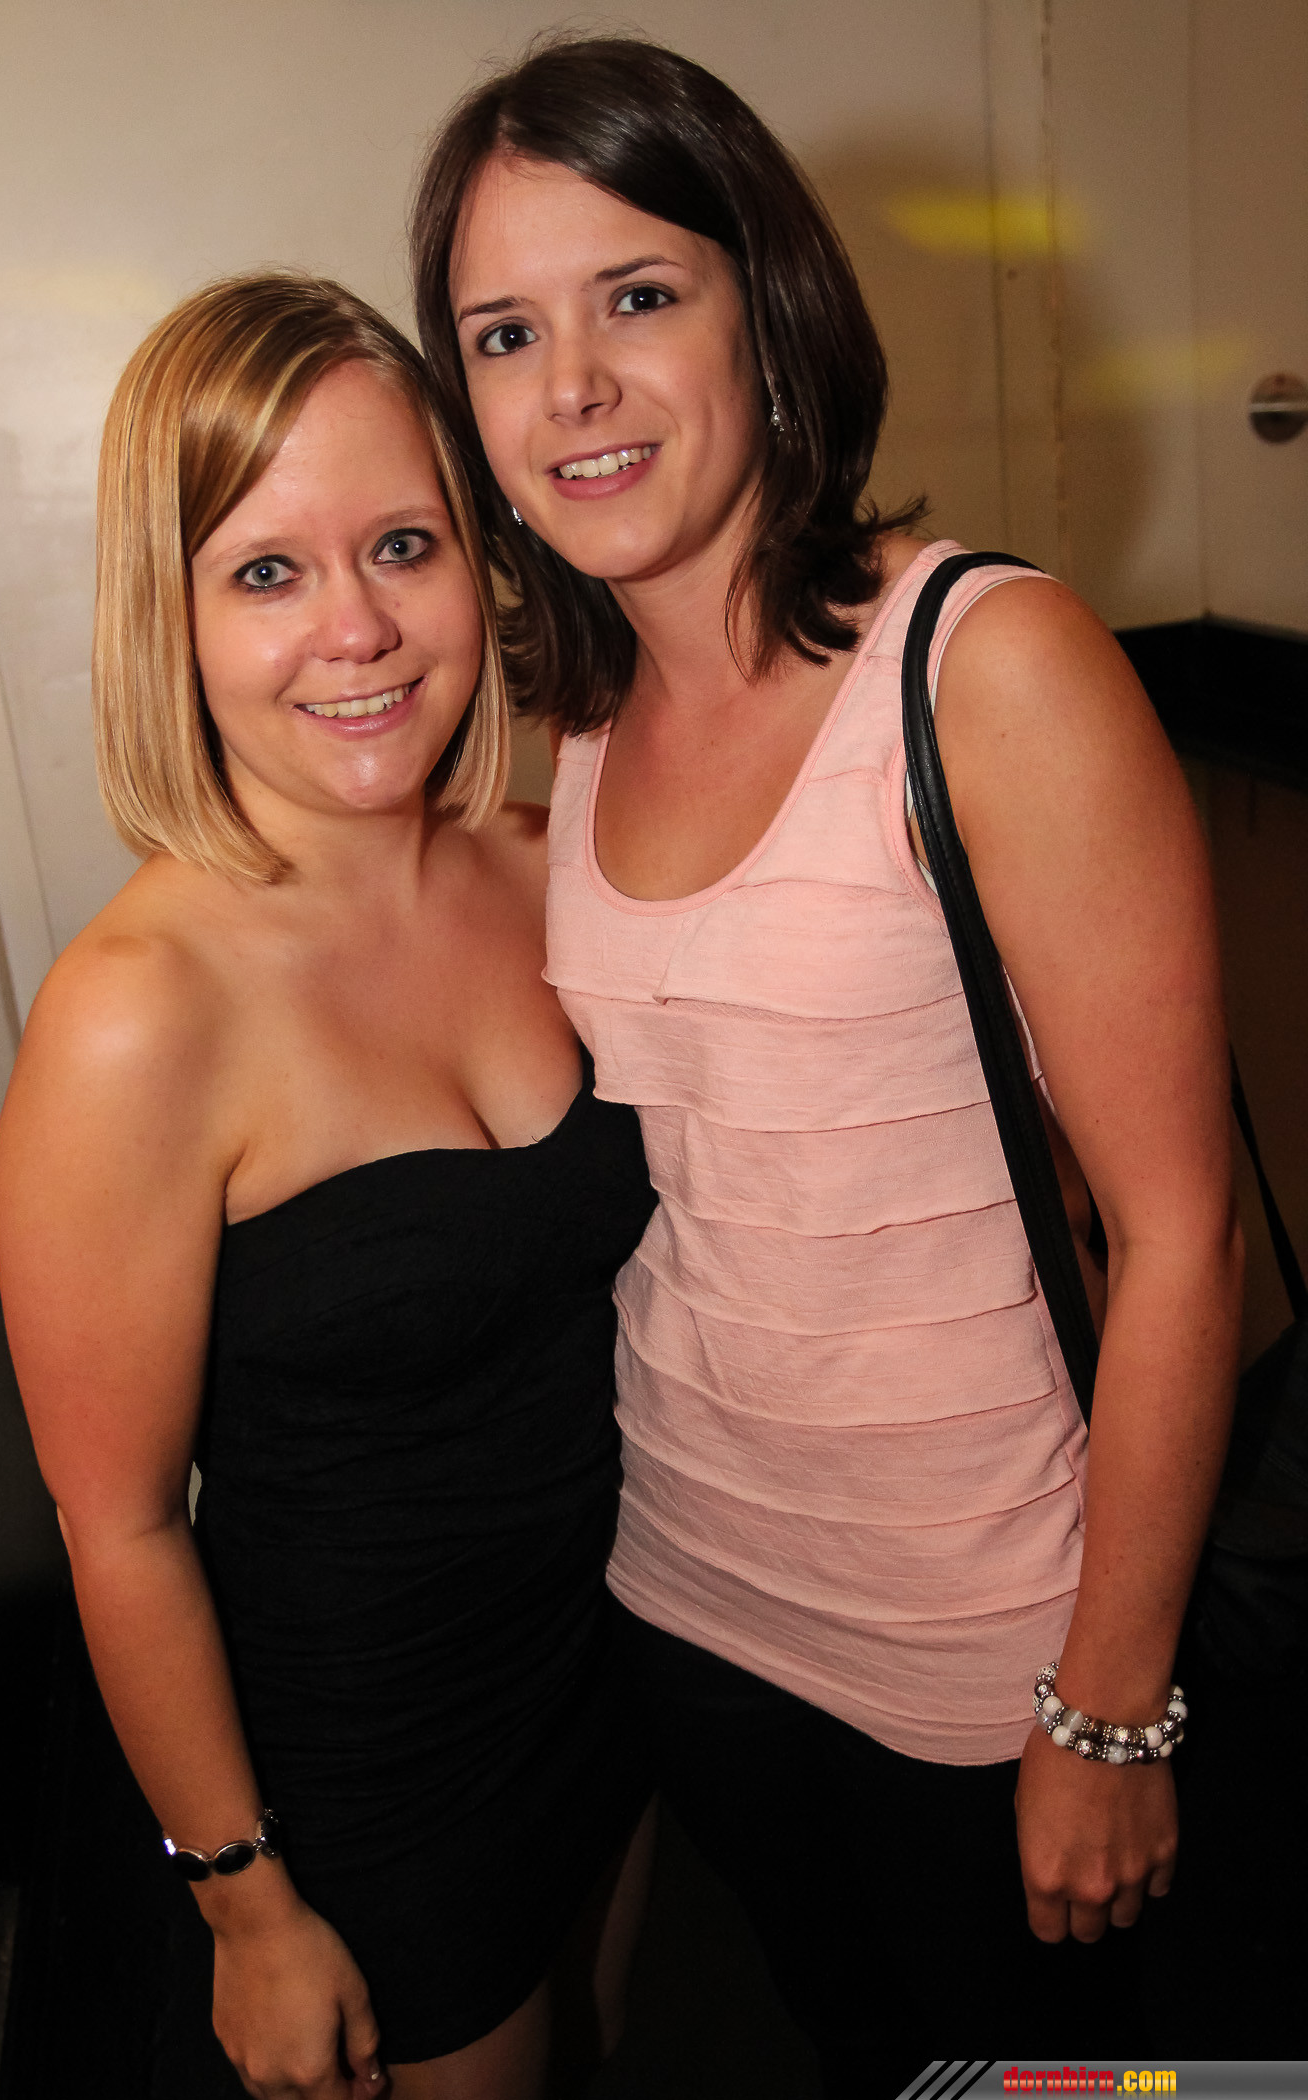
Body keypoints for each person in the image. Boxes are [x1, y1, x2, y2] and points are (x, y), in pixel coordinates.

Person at [409, 37, 1244, 2090]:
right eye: (504, 334)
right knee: (852, 2043)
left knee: (1060, 2077)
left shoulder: (987, 665)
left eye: (636, 295)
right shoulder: (572, 726)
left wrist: (1107, 1703)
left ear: (767, 312)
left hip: (988, 1643)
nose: (571, 384)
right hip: (690, 1598)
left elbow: (1180, 1234)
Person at [0, 271, 656, 2100]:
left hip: (605, 1675)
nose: (356, 627)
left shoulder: (552, 860)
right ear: (175, 615)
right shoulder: (138, 1014)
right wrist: (245, 1903)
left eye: (402, 545)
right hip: (368, 1777)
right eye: (267, 570)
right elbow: (120, 1527)